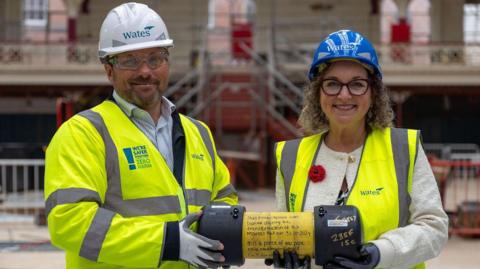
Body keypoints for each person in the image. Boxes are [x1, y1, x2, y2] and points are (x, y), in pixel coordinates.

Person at [44, 2, 237, 269]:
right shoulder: (83, 134)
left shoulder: (198, 133)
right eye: (130, 60)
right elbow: (69, 221)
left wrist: (235, 237)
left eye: (155, 58)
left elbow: (225, 202)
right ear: (108, 69)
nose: (145, 71)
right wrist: (167, 242)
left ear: (167, 62)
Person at [268, 30, 448, 269]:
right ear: (317, 93)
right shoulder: (290, 157)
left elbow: (434, 228)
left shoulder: (404, 149)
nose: (344, 95)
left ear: (373, 92)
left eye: (357, 84)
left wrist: (381, 252)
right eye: (332, 84)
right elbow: (287, 233)